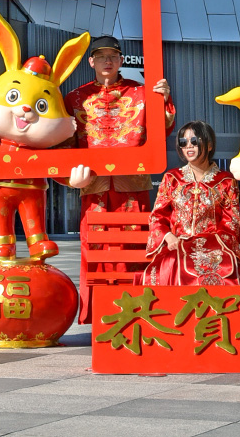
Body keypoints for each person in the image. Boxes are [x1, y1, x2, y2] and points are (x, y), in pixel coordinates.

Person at [66, 35, 176, 321]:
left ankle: (137, 312)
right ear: (91, 61)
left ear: (121, 60)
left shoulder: (140, 93)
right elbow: (62, 144)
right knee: (95, 247)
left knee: (135, 246)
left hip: (131, 185)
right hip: (94, 186)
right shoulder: (75, 98)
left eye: (113, 55)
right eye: (101, 56)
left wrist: (163, 99)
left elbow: (160, 131)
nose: (107, 61)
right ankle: (100, 315)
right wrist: (69, 178)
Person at [140, 121, 240, 286]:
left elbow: (230, 223)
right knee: (172, 262)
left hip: (214, 245)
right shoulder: (172, 178)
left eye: (194, 141)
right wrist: (168, 237)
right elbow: (157, 217)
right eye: (183, 143)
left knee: (212, 263)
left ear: (209, 145)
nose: (189, 146)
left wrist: (212, 245)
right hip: (177, 243)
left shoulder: (225, 181)